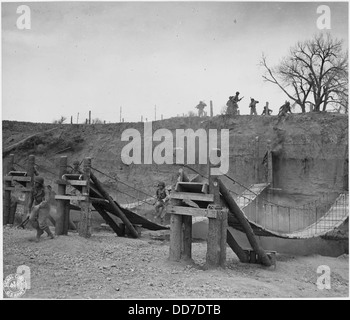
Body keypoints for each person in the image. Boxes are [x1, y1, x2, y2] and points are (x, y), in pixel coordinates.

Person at [26, 176, 54, 242]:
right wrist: (29, 212)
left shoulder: (45, 189)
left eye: (37, 183)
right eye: (35, 182)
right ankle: (40, 231)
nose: (35, 183)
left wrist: (39, 206)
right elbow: (30, 201)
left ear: (40, 183)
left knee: (42, 223)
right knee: (31, 218)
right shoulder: (33, 190)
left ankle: (50, 234)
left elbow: (46, 200)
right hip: (36, 207)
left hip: (45, 207)